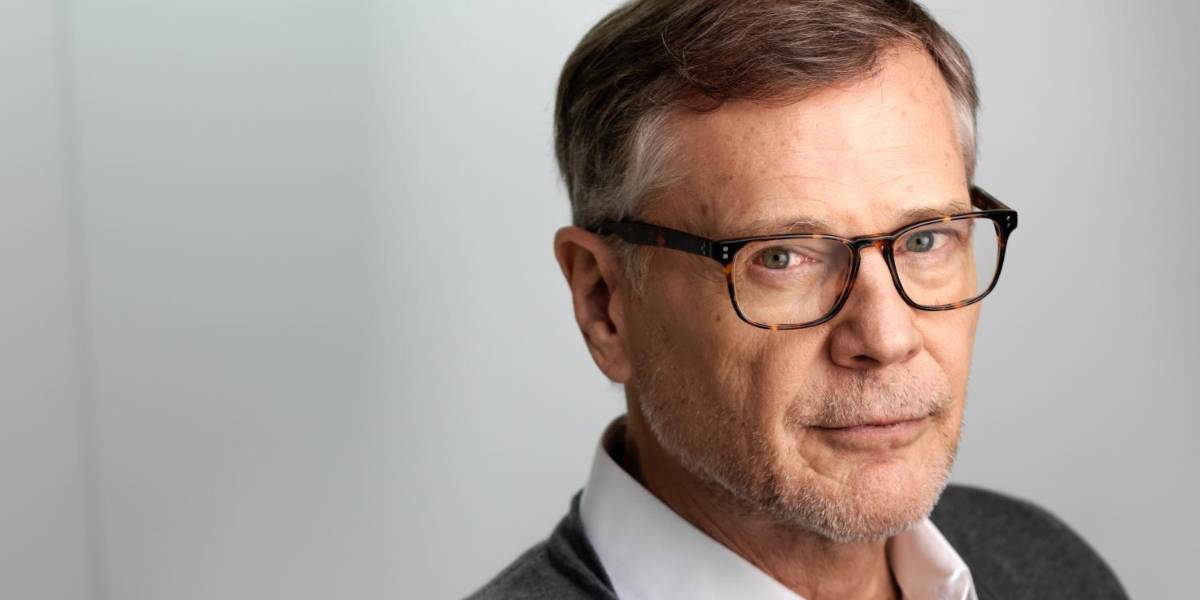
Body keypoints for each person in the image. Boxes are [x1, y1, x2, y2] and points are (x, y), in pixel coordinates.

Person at [471, 1, 1126, 598]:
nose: (886, 339)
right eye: (782, 257)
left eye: (925, 239)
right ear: (603, 304)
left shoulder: (1055, 573)